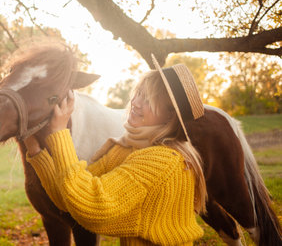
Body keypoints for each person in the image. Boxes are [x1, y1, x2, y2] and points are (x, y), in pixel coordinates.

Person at [24, 55, 207, 246]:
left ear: (169, 115)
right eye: (138, 93)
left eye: (148, 100)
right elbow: (68, 200)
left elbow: (93, 207)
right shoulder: (127, 149)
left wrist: (60, 134)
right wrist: (37, 152)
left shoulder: (163, 160)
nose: (135, 103)